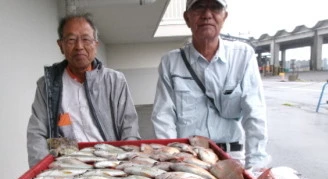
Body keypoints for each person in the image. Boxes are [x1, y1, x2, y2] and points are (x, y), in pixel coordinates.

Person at [151, 0, 270, 169]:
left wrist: (256, 166)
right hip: (188, 160)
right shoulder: (171, 62)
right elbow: (163, 116)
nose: (207, 15)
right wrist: (173, 160)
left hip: (232, 158)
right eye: (199, 7)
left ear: (224, 16)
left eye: (215, 7)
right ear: (187, 18)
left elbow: (255, 113)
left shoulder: (243, 56)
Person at [27, 13, 140, 167]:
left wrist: (127, 165)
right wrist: (41, 170)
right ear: (61, 45)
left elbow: (130, 129)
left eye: (86, 39)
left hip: (110, 162)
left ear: (96, 44)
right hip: (66, 165)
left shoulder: (115, 81)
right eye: (71, 40)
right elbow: (37, 133)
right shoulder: (47, 85)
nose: (79, 46)